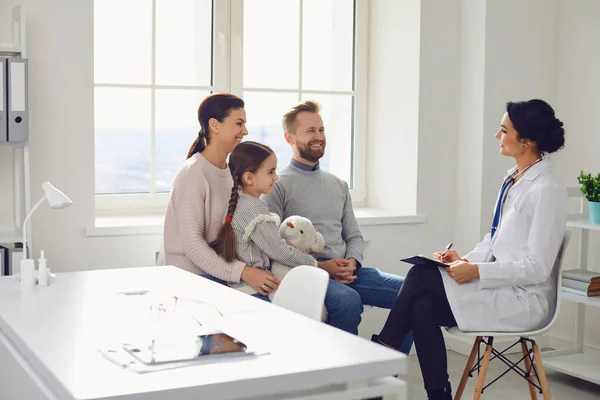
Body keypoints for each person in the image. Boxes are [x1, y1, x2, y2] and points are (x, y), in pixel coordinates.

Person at [372, 99, 568, 400]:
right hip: (500, 287)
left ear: (526, 140)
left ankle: (381, 359)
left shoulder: (547, 189)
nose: (496, 136)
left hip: (524, 300)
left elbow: (538, 267)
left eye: (503, 130)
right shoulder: (513, 177)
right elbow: (494, 239)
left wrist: (476, 270)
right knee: (420, 306)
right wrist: (464, 259)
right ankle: (438, 394)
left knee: (421, 275)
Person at [262, 100, 413, 353]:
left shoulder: (338, 184)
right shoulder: (277, 185)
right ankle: (340, 378)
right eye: (310, 131)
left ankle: (383, 372)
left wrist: (352, 262)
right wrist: (323, 266)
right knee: (348, 301)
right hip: (309, 273)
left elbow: (353, 235)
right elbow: (274, 245)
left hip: (348, 271)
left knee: (414, 293)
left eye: (321, 130)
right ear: (289, 137)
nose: (319, 137)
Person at [163, 93, 280, 299]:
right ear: (214, 125)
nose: (245, 131)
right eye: (239, 123)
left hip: (220, 274)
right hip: (192, 279)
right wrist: (244, 272)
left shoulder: (231, 172)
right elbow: (193, 246)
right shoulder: (193, 173)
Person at [209, 141, 318, 295]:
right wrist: (316, 264)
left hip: (240, 287)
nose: (276, 177)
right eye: (270, 172)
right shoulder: (254, 208)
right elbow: (280, 252)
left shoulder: (239, 204)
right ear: (249, 178)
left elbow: (267, 245)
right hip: (254, 289)